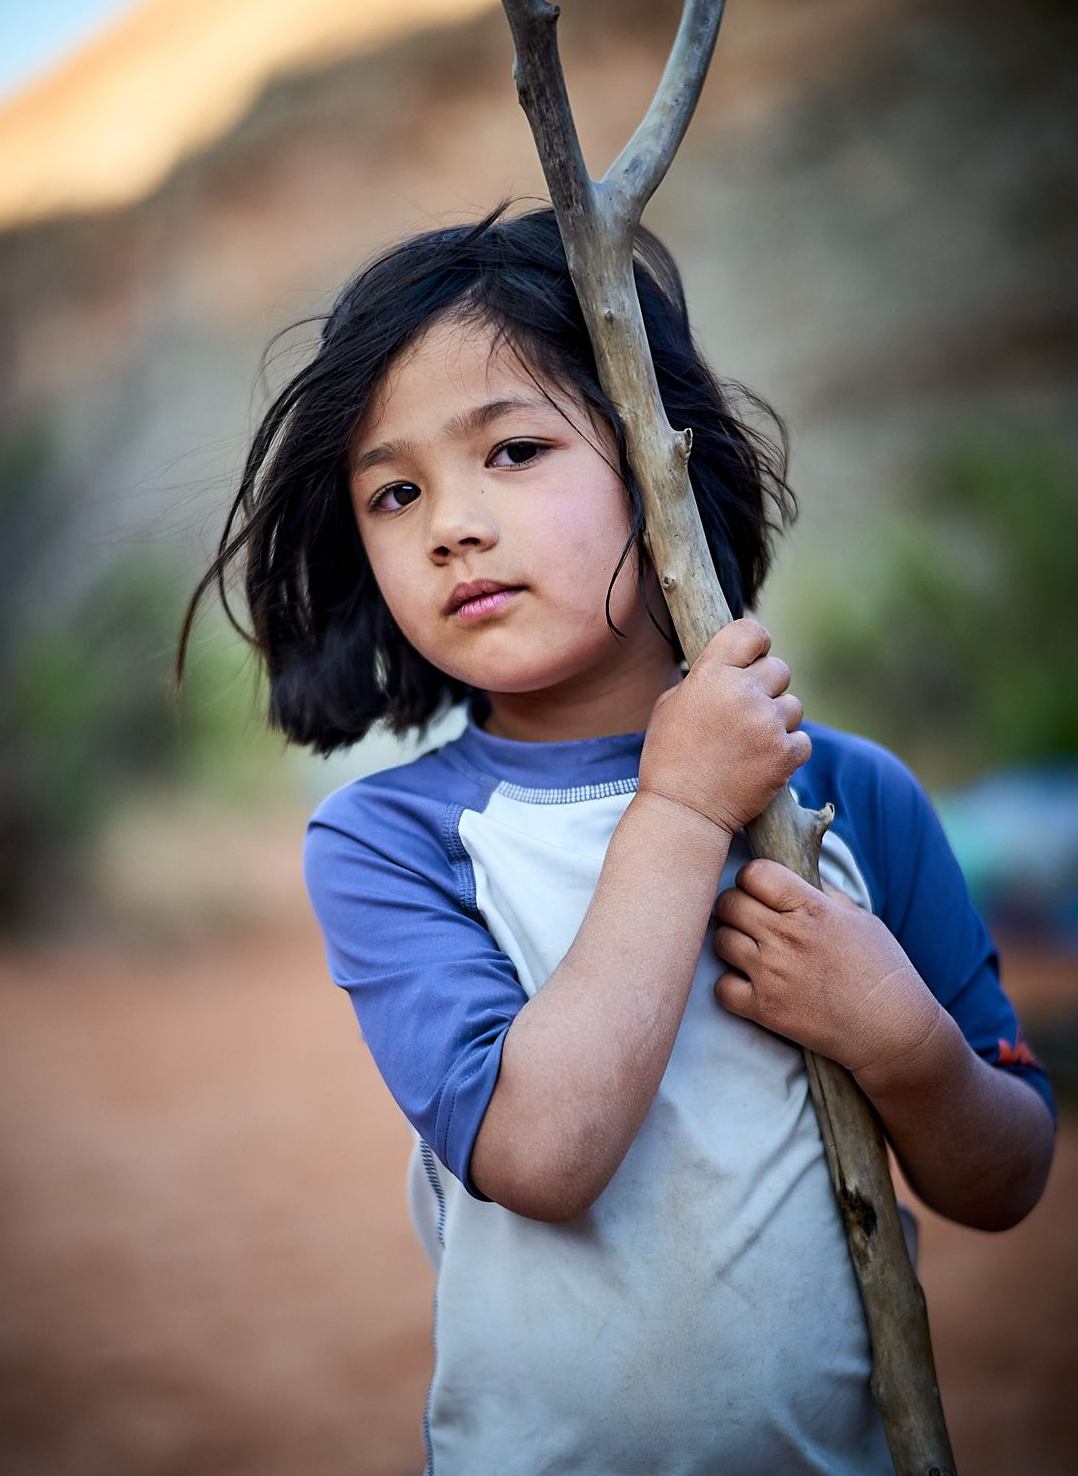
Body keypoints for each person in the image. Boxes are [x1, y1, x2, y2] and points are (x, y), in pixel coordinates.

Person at [179, 205, 1055, 1474]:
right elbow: (544, 1152)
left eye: (517, 450)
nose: (452, 525)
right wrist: (686, 805)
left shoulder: (842, 796)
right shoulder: (394, 843)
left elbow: (1007, 1173)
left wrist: (902, 1044)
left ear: (661, 463)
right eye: (396, 491)